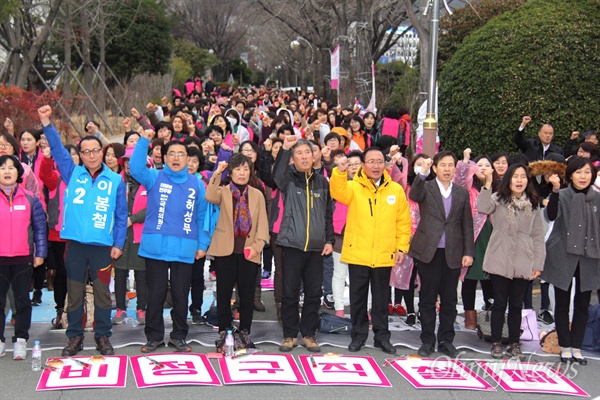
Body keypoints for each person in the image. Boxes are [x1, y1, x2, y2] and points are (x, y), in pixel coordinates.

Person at [40, 105, 127, 357]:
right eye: (85, 152)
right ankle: (75, 337)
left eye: (95, 151)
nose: (91, 155)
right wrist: (47, 123)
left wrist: (118, 244)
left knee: (102, 295)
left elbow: (121, 216)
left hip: (102, 246)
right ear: (79, 154)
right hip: (75, 245)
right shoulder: (72, 173)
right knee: (75, 294)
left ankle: (102, 336)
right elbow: (57, 150)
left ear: (102, 152)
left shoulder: (115, 180)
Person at [130, 130, 211, 353]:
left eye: (181, 154)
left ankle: (178, 336)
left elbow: (203, 216)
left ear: (188, 159)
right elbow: (135, 168)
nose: (176, 158)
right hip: (155, 247)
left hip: (185, 247)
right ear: (164, 158)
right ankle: (154, 336)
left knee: (180, 294)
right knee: (154, 295)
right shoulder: (154, 177)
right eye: (172, 154)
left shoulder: (197, 184)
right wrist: (144, 140)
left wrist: (203, 245)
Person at [330, 148, 411, 354]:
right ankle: (358, 336)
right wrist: (339, 172)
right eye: (371, 162)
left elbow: (403, 221)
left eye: (379, 161)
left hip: (384, 254)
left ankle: (382, 337)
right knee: (358, 299)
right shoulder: (353, 187)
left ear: (385, 164)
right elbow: (337, 192)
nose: (375, 166)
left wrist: (401, 247)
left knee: (381, 300)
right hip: (359, 252)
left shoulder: (395, 190)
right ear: (363, 165)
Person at [408, 150, 474, 358]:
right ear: (435, 168)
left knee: (449, 300)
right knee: (427, 298)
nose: (447, 169)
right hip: (429, 251)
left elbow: (467, 225)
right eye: (443, 165)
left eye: (450, 165)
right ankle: (427, 340)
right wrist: (422, 173)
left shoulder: (462, 192)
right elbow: (414, 195)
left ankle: (446, 340)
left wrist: (468, 252)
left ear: (455, 168)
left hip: (453, 252)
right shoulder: (426, 187)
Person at [477, 163, 545, 359]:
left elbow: (538, 235)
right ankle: (496, 342)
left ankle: (514, 342)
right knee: (499, 303)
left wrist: (537, 264)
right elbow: (483, 208)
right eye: (515, 176)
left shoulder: (532, 203)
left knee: (517, 304)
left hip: (524, 258)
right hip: (500, 256)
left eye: (523, 177)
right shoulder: (498, 199)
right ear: (509, 179)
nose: (519, 180)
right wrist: (487, 184)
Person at [274, 135, 334, 353]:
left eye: (307, 152)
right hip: (292, 245)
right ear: (293, 159)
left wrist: (329, 240)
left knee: (313, 292)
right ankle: (289, 335)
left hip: (317, 248)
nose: (304, 156)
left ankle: (309, 334)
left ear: (313, 156)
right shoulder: (288, 180)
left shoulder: (322, 182)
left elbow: (328, 213)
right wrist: (285, 149)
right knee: (289, 292)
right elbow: (276, 175)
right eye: (298, 153)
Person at [206, 155, 269, 352]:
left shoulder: (257, 194)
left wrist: (257, 247)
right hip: (225, 250)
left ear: (251, 172)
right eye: (238, 169)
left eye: (246, 169)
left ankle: (245, 331)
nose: (242, 173)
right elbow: (209, 196)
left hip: (249, 251)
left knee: (247, 294)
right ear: (231, 172)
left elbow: (262, 225)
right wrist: (218, 172)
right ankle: (225, 331)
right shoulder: (223, 192)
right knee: (224, 294)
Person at [541, 157, 600, 365]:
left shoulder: (597, 198)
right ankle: (564, 346)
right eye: (578, 172)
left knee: (583, 304)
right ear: (570, 175)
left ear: (592, 175)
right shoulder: (562, 194)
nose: (583, 176)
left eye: (586, 172)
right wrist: (555, 191)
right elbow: (550, 215)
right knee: (562, 302)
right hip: (562, 254)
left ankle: (577, 346)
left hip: (589, 257)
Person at [0, 155, 47, 360]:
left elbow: (39, 229)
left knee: (22, 302)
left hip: (23, 258)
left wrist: (40, 253)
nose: (7, 171)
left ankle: (21, 340)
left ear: (19, 172)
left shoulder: (30, 197)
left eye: (11, 167)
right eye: (2, 168)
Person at [111, 147, 148, 326]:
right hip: (120, 235)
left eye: (132, 162)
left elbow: (154, 209)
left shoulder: (149, 183)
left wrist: (132, 219)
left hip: (140, 235)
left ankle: (142, 308)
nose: (128, 165)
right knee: (119, 273)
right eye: (126, 162)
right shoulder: (117, 181)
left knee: (142, 274)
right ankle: (120, 308)